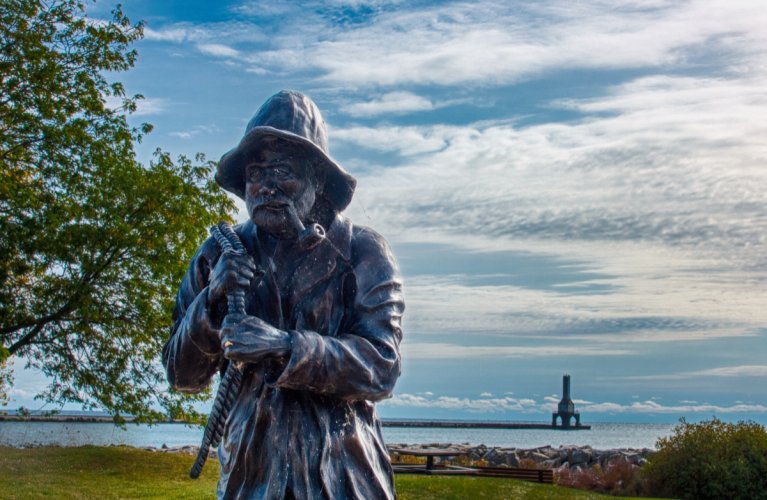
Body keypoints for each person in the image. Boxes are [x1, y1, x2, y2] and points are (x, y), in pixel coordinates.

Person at [163, 90, 404, 499]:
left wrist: (285, 347)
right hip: (250, 479)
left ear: (318, 180)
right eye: (256, 173)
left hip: (344, 477)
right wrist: (212, 302)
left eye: (283, 171)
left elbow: (381, 366)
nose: (267, 187)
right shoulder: (218, 253)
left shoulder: (363, 252)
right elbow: (181, 374)